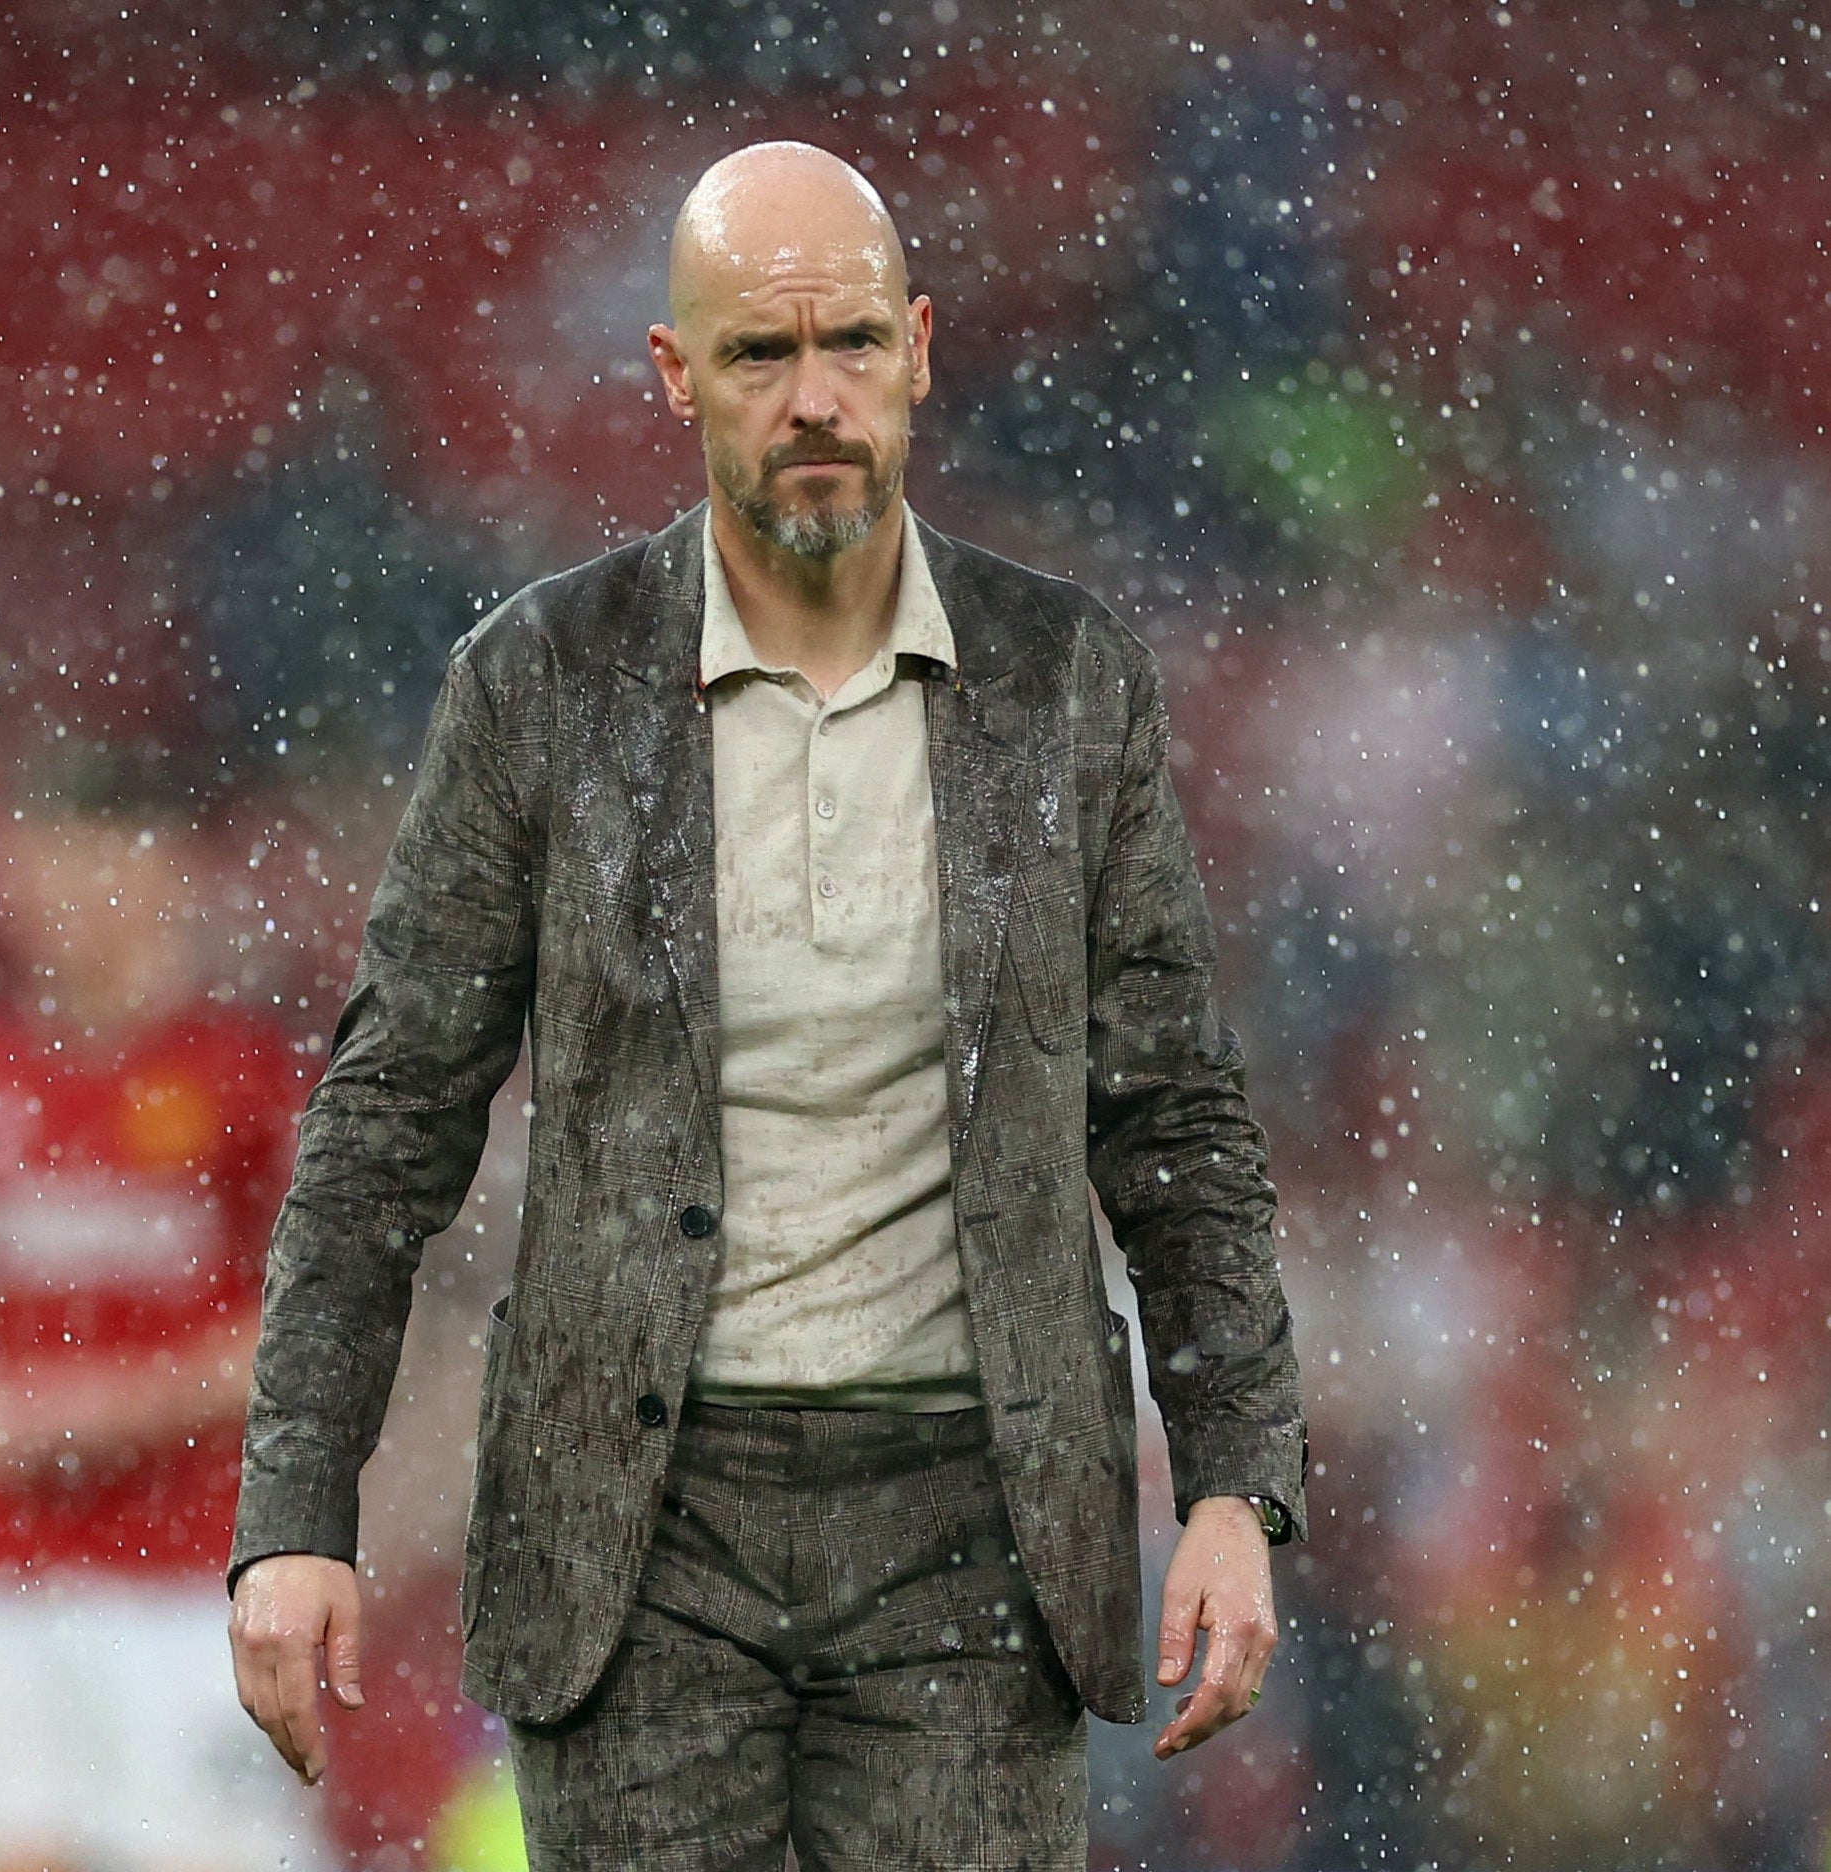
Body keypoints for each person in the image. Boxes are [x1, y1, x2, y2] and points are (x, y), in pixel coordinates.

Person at [227, 141, 1309, 1868]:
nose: (815, 399)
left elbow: (1170, 1115)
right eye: (757, 355)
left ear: (920, 349)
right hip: (630, 1525)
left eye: (852, 345)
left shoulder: (1061, 682)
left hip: (979, 1513)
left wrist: (1239, 1488)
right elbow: (386, 1120)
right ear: (674, 377)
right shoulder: (543, 680)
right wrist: (292, 1510)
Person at [0, 771, 331, 1872]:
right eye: (55, 866)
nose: (80, 898)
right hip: (4, 1573)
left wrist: (116, 1408)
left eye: (111, 866)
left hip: (199, 1574)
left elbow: (321, 1322)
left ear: (175, 878)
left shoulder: (247, 1075)